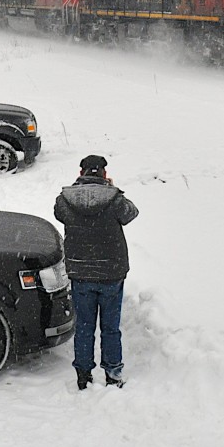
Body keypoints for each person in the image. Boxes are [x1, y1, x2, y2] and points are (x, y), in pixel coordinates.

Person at [53, 154, 139, 390]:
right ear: (104, 174)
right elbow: (131, 214)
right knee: (110, 327)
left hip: (80, 271)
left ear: (81, 173)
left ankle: (83, 375)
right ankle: (113, 374)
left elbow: (59, 214)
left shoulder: (65, 199)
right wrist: (112, 188)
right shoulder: (114, 198)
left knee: (84, 327)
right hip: (111, 272)